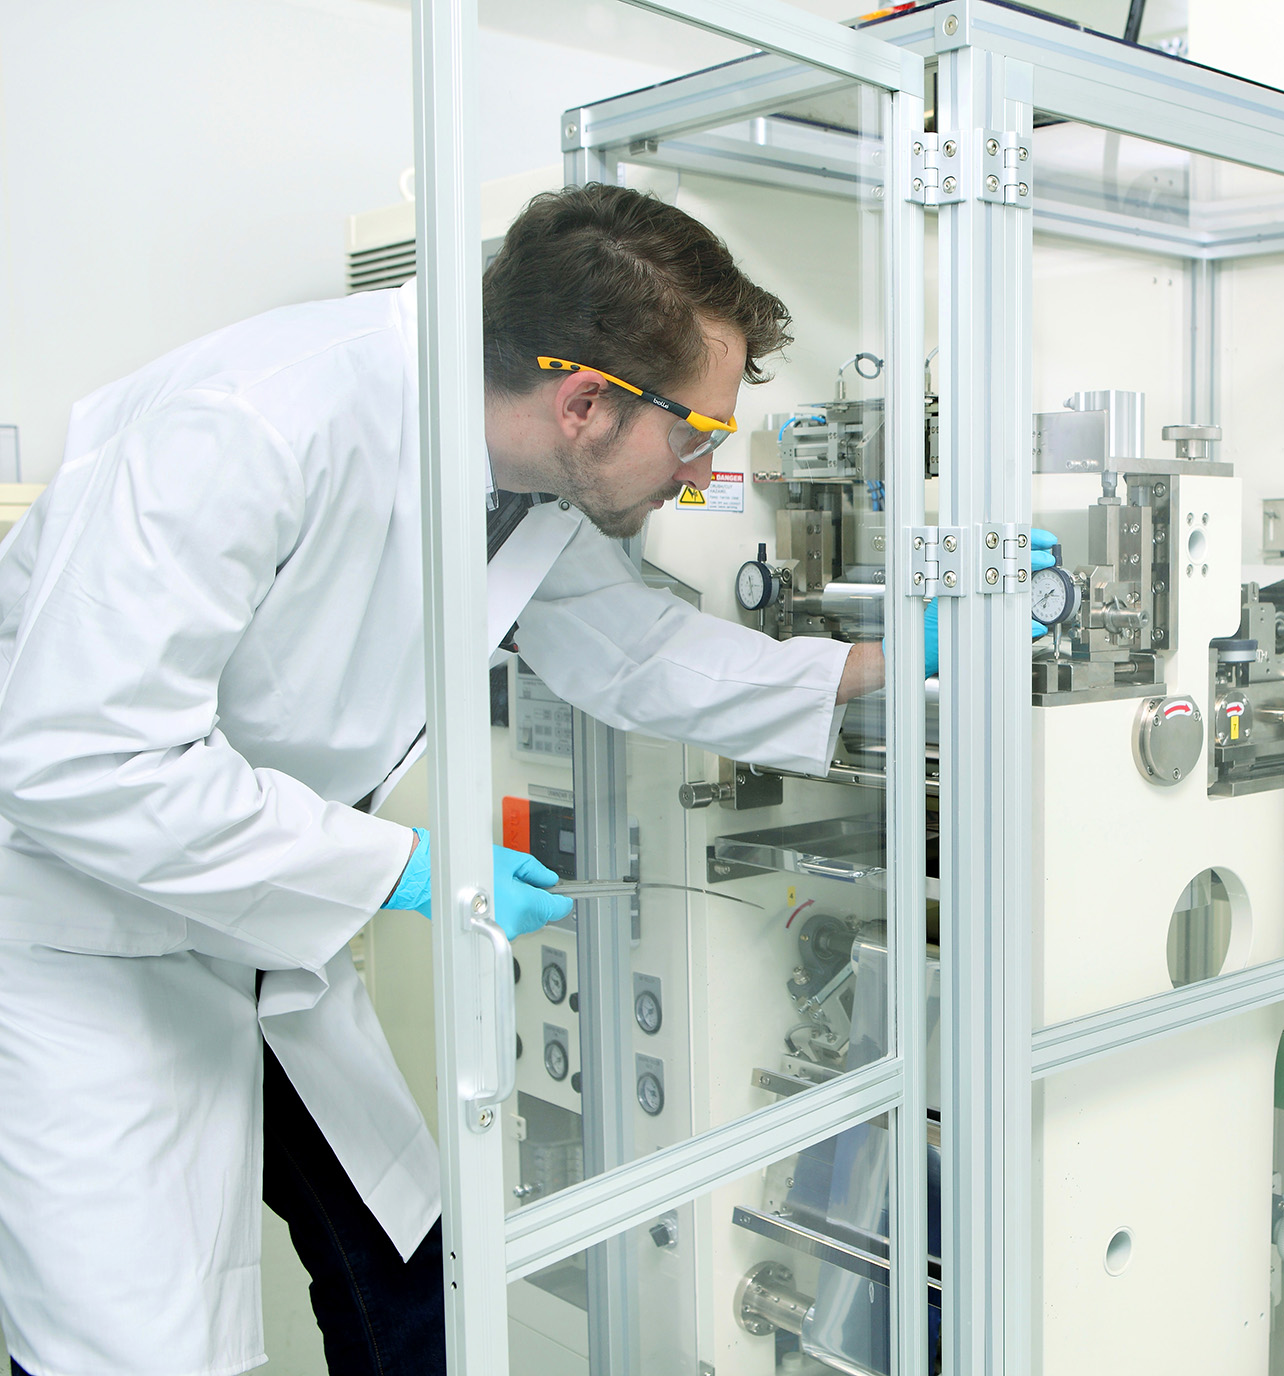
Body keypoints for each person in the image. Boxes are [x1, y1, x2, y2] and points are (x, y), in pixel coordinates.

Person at [0, 184, 981, 1376]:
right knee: (140, 1349)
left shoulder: (520, 479)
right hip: (83, 931)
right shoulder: (254, 421)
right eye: (696, 436)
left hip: (259, 922)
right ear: (585, 402)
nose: (702, 469)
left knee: (415, 1281)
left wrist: (883, 661)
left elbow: (629, 649)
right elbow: (83, 757)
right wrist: (405, 867)